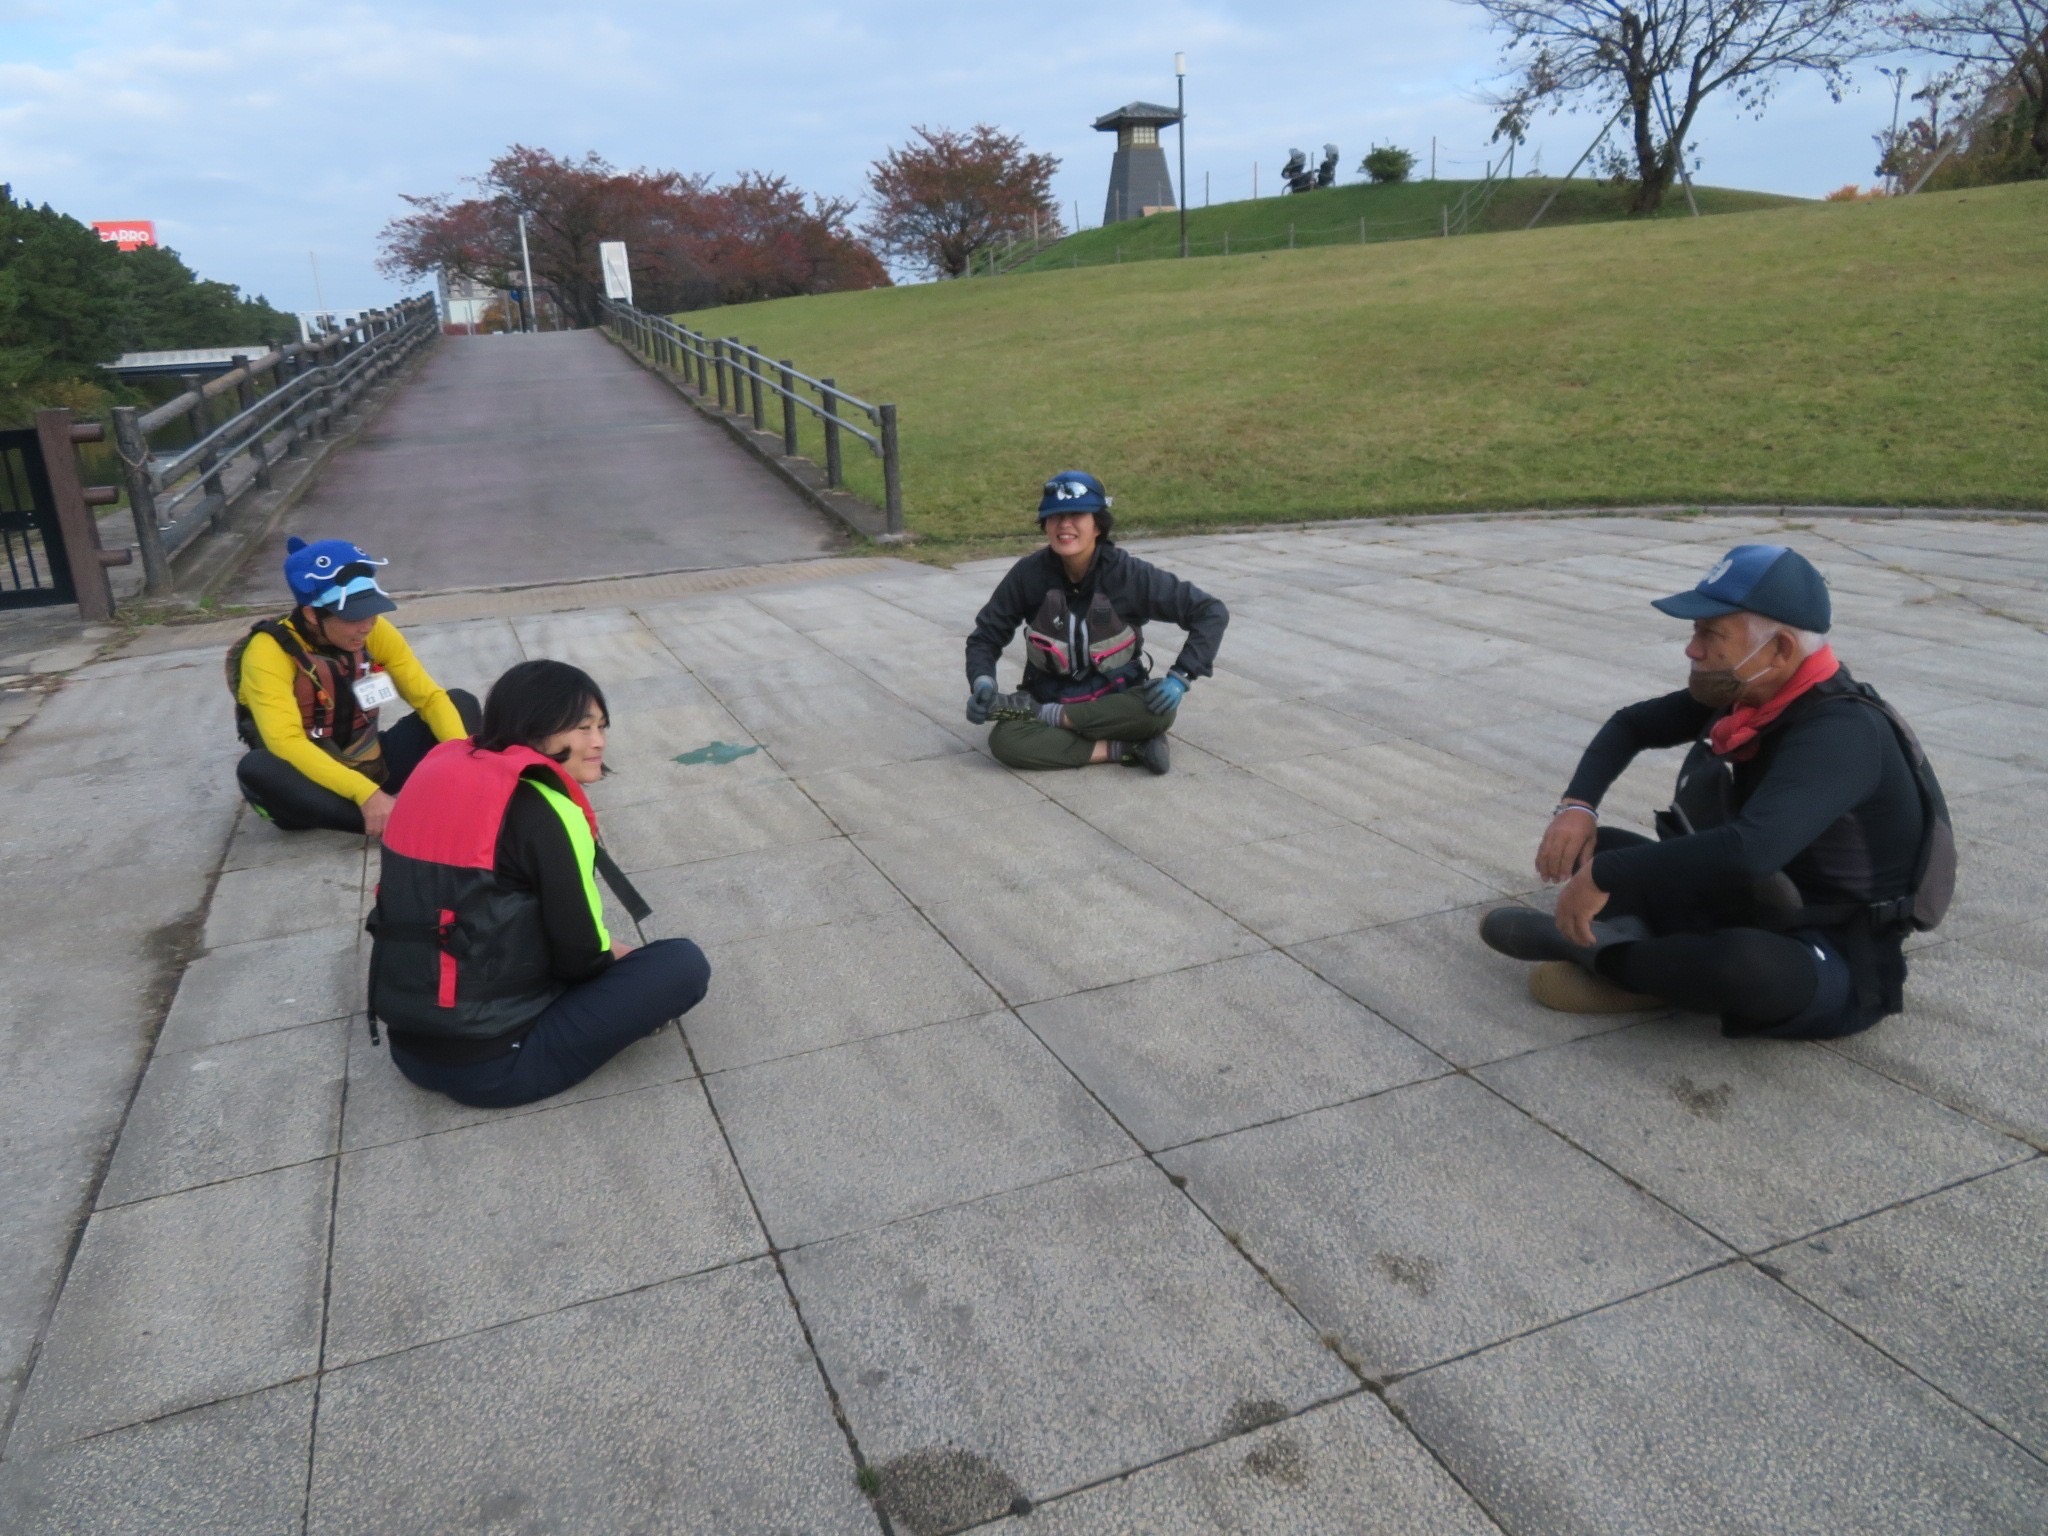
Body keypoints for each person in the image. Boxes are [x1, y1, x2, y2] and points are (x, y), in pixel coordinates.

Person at [1479, 543, 1951, 1039]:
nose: (1692, 648)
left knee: (1739, 966)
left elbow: (1753, 850)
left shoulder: (1841, 732)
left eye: (1711, 633)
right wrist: (1578, 807)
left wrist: (1605, 877)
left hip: (1830, 944)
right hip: (1748, 900)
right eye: (1695, 630)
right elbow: (1630, 725)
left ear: (1780, 650)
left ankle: (1605, 957)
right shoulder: (1753, 691)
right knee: (1595, 847)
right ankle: (1656, 961)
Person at [366, 659, 711, 1108]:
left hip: (408, 1050)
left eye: (602, 726)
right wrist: (617, 956)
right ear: (535, 727)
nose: (598, 742)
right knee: (682, 963)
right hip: (496, 1066)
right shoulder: (545, 808)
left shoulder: (436, 771)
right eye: (582, 728)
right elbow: (580, 959)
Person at [964, 470, 1228, 774]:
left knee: (1159, 712)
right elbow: (985, 636)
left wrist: (1180, 677)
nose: (1064, 525)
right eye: (1054, 516)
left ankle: (1054, 720)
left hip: (1113, 700)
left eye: (1076, 515)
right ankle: (1127, 747)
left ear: (1098, 525)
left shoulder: (1129, 575)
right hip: (1049, 694)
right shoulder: (1028, 575)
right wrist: (982, 680)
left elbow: (1210, 611)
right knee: (1006, 741)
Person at [228, 536, 479, 837]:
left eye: (371, 610)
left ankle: (450, 795)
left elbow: (429, 698)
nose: (366, 625)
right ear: (311, 613)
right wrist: (365, 794)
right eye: (352, 617)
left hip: (369, 762)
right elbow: (286, 742)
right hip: (310, 782)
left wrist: (465, 763)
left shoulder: (373, 630)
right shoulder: (266, 653)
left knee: (459, 704)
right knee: (257, 768)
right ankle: (394, 824)